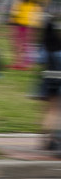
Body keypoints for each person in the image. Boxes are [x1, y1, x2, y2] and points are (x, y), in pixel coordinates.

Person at [39, 10, 61, 152]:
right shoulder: (59, 46)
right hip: (59, 81)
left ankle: (46, 139)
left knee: (49, 110)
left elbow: (40, 59)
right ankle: (53, 140)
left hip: (48, 79)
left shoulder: (46, 45)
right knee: (56, 111)